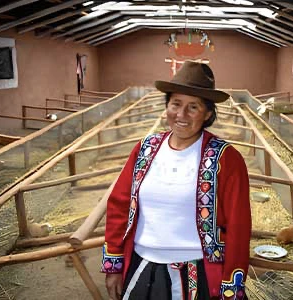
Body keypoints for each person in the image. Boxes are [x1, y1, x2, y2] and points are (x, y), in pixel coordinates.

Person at [101, 61, 251, 300]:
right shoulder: (145, 149)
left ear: (208, 114)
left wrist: (230, 287)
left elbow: (238, 227)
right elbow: (119, 206)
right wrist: (114, 265)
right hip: (140, 266)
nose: (181, 115)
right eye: (176, 104)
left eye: (193, 107)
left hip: (198, 273)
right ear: (167, 106)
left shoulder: (226, 159)